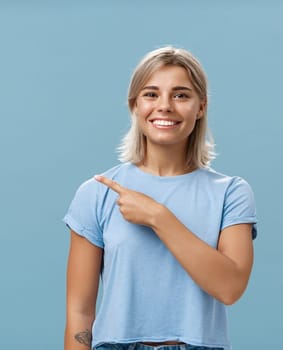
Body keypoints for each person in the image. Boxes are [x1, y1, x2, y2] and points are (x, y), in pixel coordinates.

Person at [63, 46, 258, 350]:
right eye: (151, 94)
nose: (165, 106)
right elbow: (79, 312)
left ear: (201, 107)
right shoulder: (98, 192)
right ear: (134, 105)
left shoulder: (230, 192)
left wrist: (157, 217)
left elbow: (230, 287)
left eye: (181, 95)